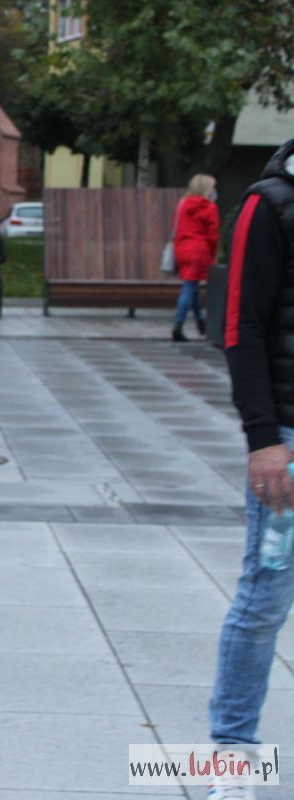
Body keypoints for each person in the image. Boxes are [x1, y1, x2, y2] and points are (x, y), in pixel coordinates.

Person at [208, 139, 294, 800]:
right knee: (264, 600)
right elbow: (241, 326)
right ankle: (231, 762)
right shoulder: (270, 204)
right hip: (287, 441)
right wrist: (263, 437)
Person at [172, 173, 220, 342]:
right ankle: (178, 325)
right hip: (200, 250)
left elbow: (176, 228)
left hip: (182, 248)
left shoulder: (183, 204)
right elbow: (213, 235)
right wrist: (213, 255)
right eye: (213, 187)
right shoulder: (210, 207)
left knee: (192, 286)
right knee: (189, 287)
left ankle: (200, 322)